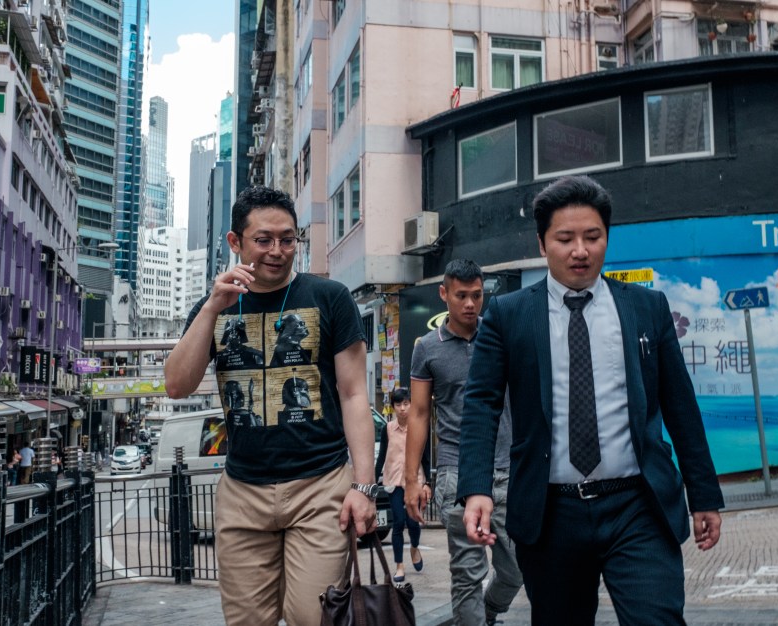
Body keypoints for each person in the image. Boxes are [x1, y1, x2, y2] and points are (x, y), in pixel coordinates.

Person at [456, 175, 725, 626]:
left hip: (638, 504)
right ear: (542, 244)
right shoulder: (508, 314)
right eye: (565, 239)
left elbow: (680, 405)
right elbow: (481, 405)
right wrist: (476, 488)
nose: (580, 251)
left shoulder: (647, 307)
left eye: (592, 237)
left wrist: (703, 494)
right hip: (550, 513)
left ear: (606, 238)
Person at [164, 185, 375, 626]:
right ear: (235, 241)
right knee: (247, 620)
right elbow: (177, 385)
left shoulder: (330, 297)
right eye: (263, 240)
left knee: (313, 617)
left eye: (287, 239)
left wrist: (363, 486)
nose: (277, 251)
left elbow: (355, 394)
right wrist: (212, 308)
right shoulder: (214, 306)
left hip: (320, 485)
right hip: (243, 490)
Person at [404, 259, 523, 626]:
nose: (470, 304)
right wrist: (412, 480)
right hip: (455, 473)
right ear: (444, 294)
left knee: (516, 570)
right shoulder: (427, 347)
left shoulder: (500, 336)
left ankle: (485, 615)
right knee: (468, 574)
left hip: (507, 469)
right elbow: (419, 414)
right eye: (461, 296)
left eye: (477, 295)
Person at [374, 387, 429, 583]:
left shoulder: (418, 428)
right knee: (398, 522)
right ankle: (399, 566)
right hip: (393, 482)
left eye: (406, 404)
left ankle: (414, 547)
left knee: (413, 522)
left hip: (414, 482)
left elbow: (425, 456)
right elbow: (381, 457)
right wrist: (372, 482)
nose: (403, 408)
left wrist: (428, 483)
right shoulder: (387, 429)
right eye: (398, 404)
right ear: (393, 407)